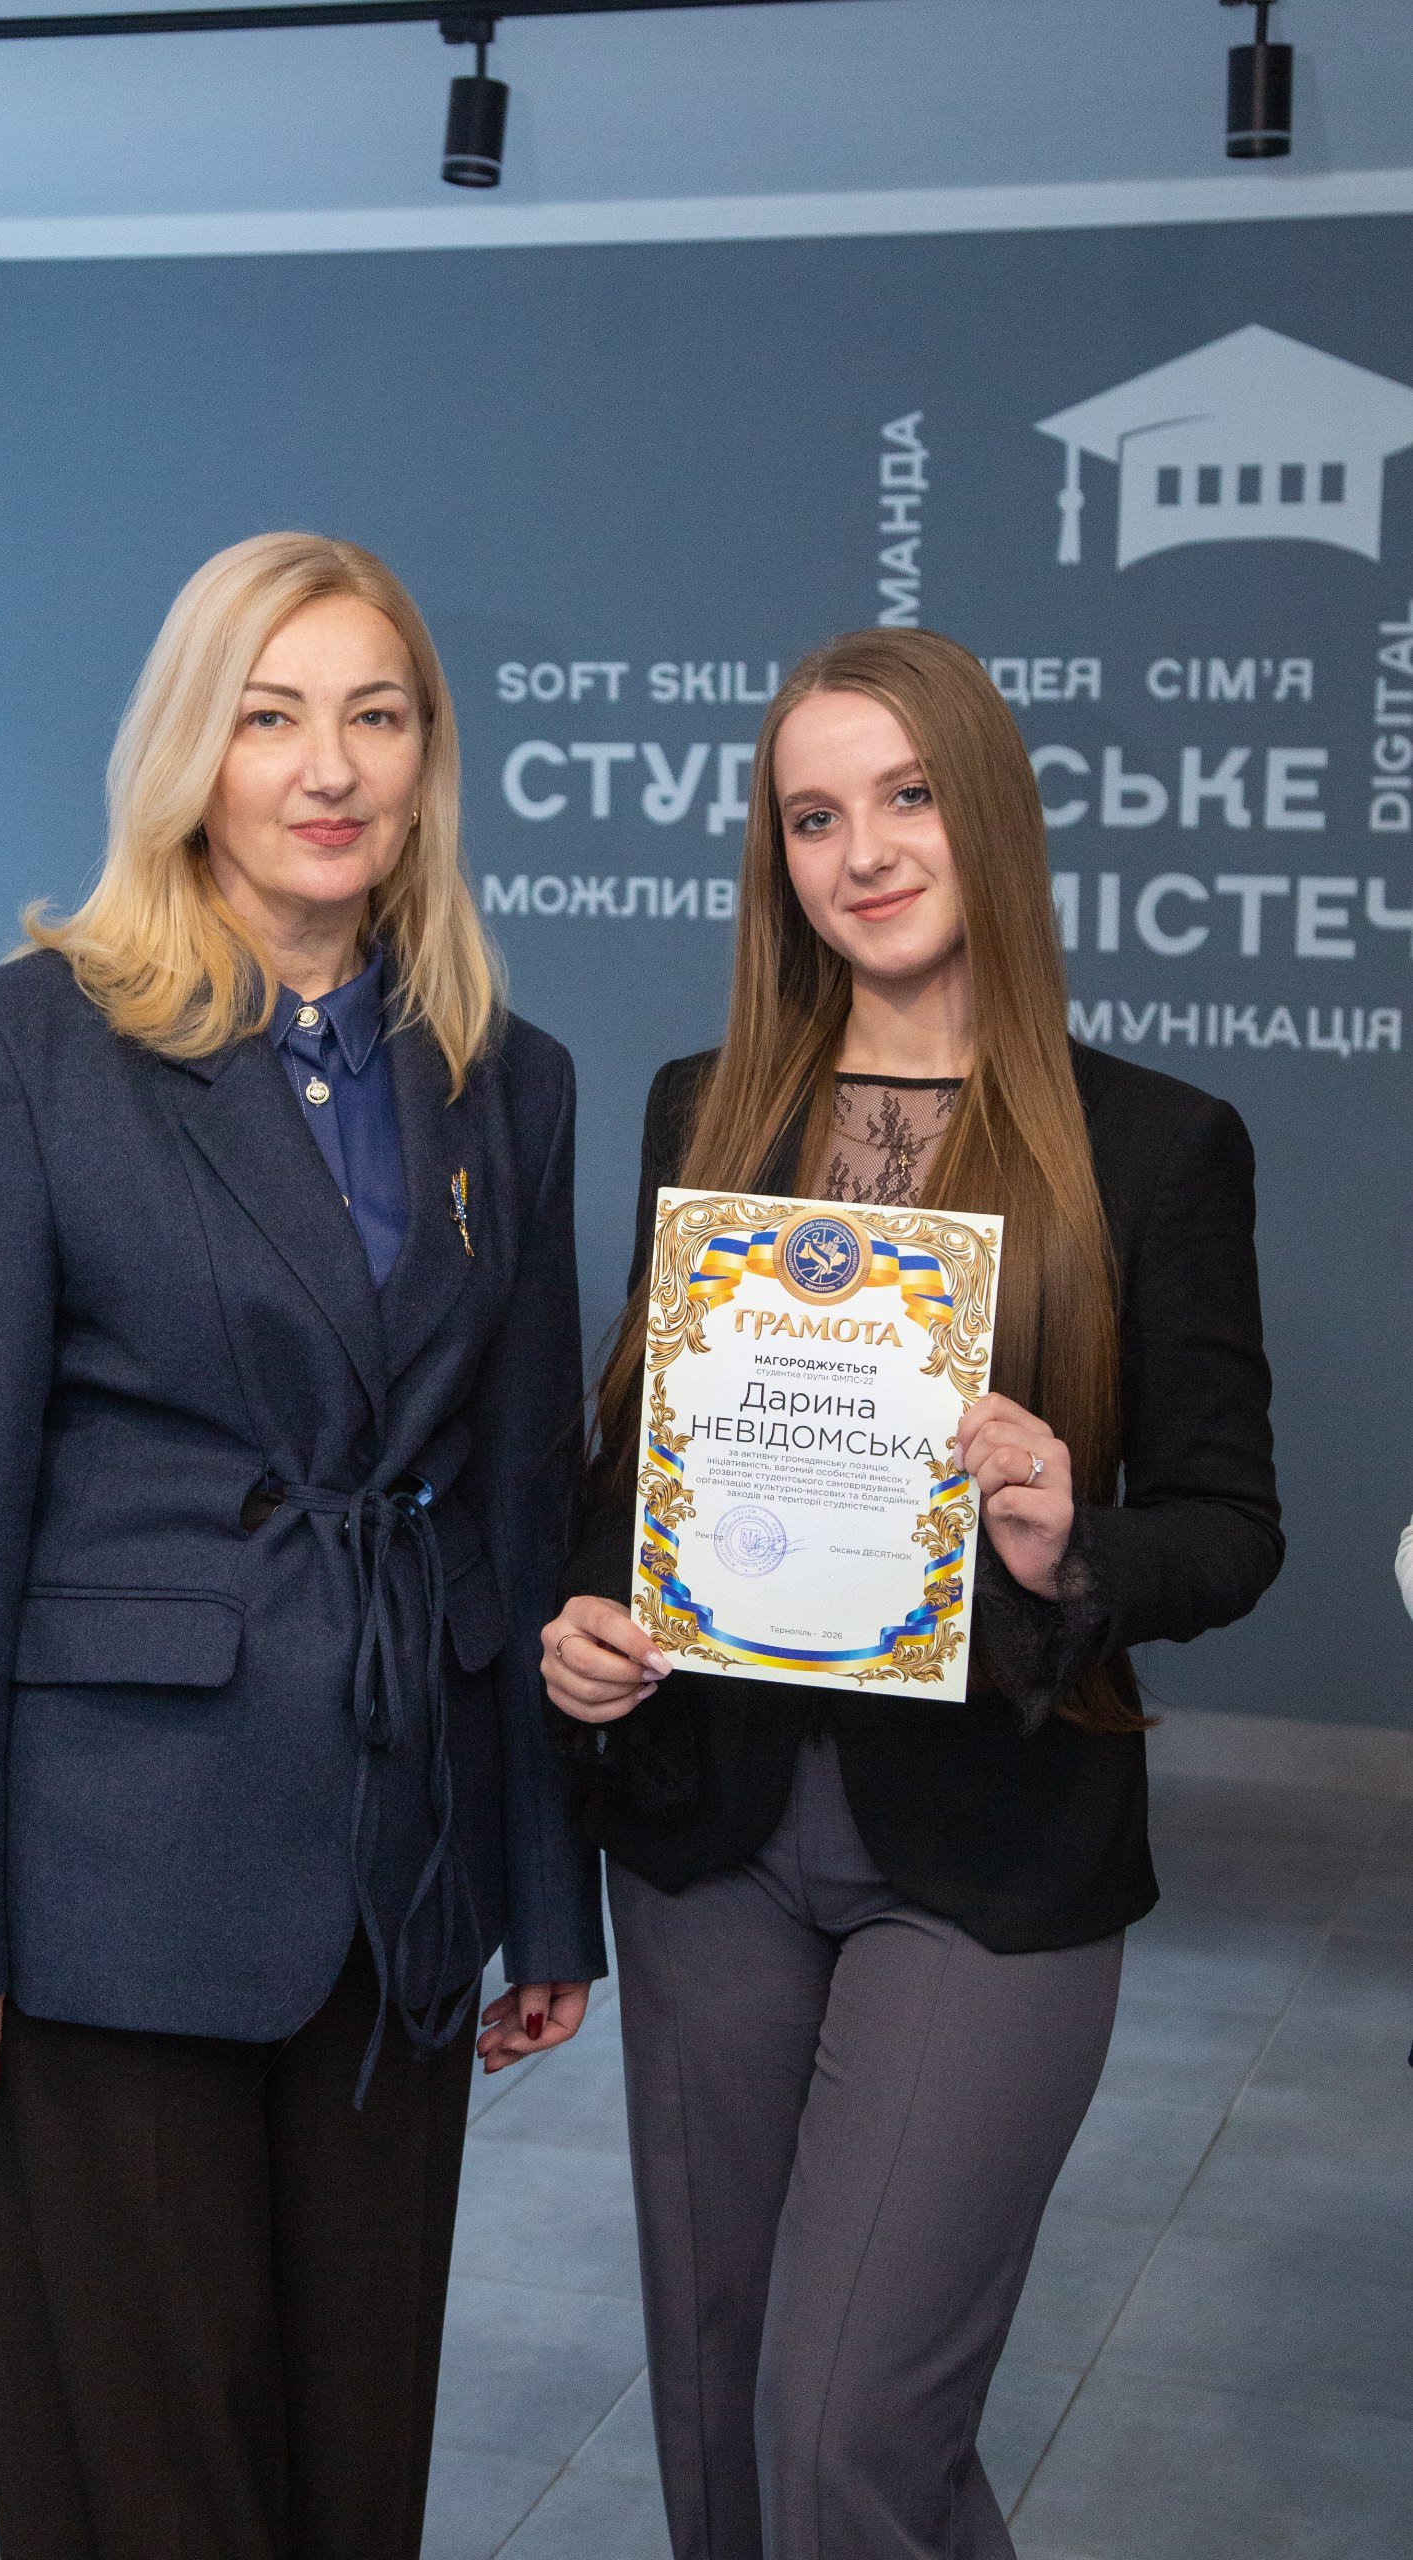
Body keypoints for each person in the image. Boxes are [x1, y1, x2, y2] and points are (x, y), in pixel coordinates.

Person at [0, 531, 604, 2560]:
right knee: (150, 2477)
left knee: (354, 2472)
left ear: (428, 758)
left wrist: (549, 1894)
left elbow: (523, 1503)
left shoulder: (504, 1080)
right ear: (190, 750)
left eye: (375, 715)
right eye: (271, 716)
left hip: (401, 1877)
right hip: (110, 1873)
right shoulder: (21, 1046)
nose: (327, 767)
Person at [541, 628, 1281, 2560]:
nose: (860, 852)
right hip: (703, 1831)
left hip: (991, 1852)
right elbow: (633, 1471)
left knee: (842, 2428)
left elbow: (1230, 1528)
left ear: (990, 815)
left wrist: (1067, 1537)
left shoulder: (1157, 1146)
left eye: (906, 796)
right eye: (811, 816)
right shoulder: (704, 1108)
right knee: (723, 2426)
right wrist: (587, 1613)